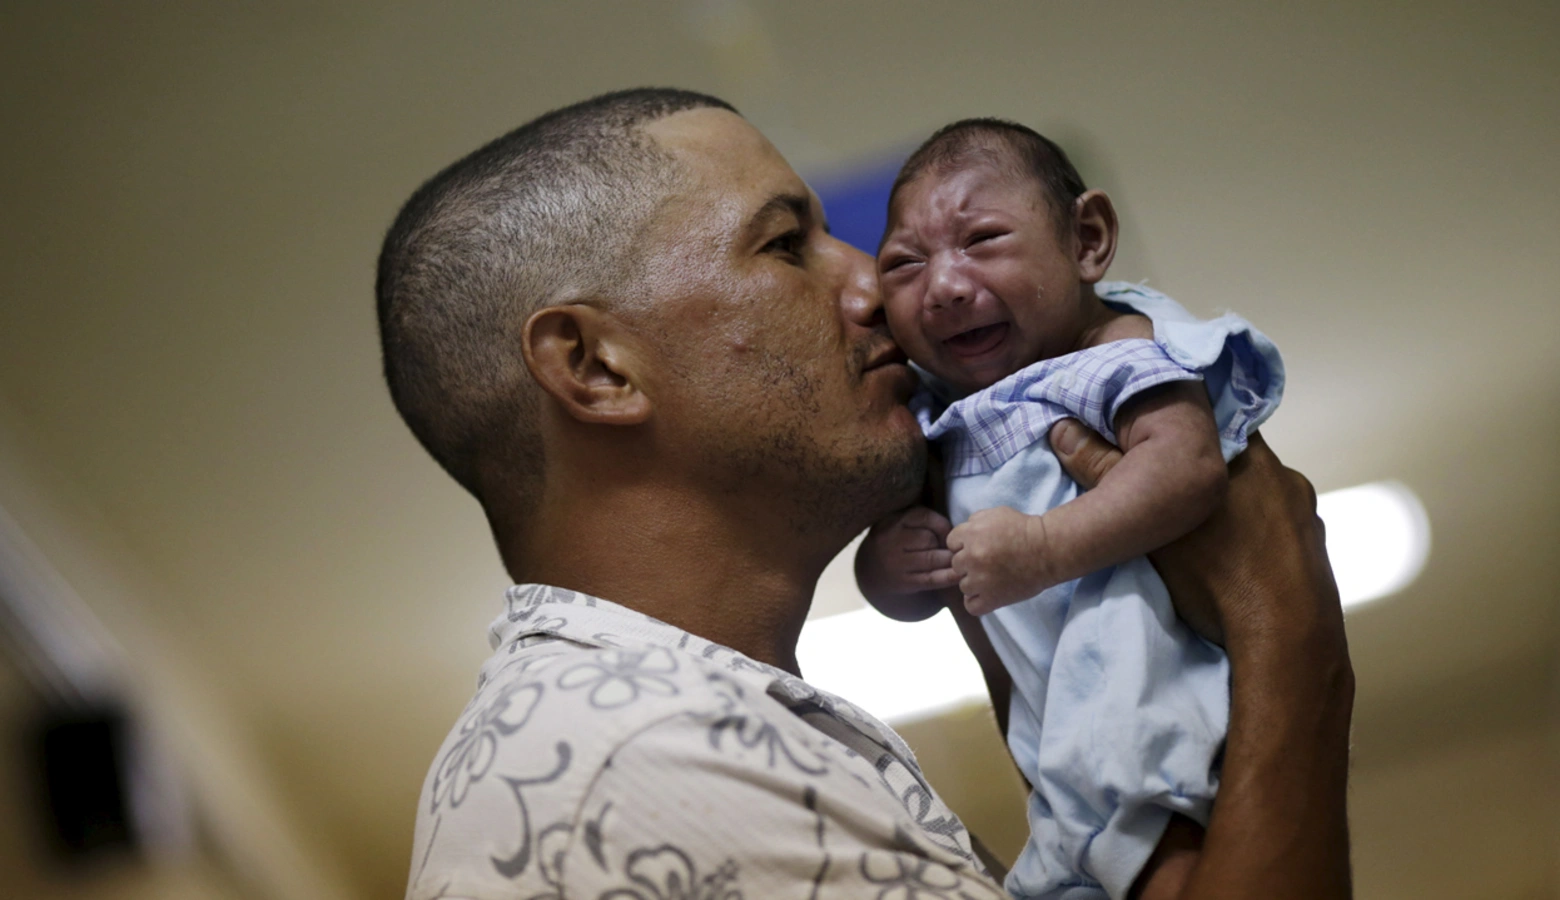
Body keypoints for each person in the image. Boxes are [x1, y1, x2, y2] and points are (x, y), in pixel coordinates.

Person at [375, 88, 1354, 899]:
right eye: (786, 245)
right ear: (595, 365)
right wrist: (1286, 636)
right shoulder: (633, 762)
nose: (873, 287)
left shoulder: (654, 734)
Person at [856, 119, 1283, 899]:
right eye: (904, 264)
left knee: (1172, 861)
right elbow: (911, 596)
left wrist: (1049, 548)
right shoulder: (937, 416)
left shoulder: (1111, 352)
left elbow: (1185, 467)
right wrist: (888, 567)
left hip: (1154, 702)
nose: (944, 285)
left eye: (981, 239)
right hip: (1060, 751)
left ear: (1087, 240)